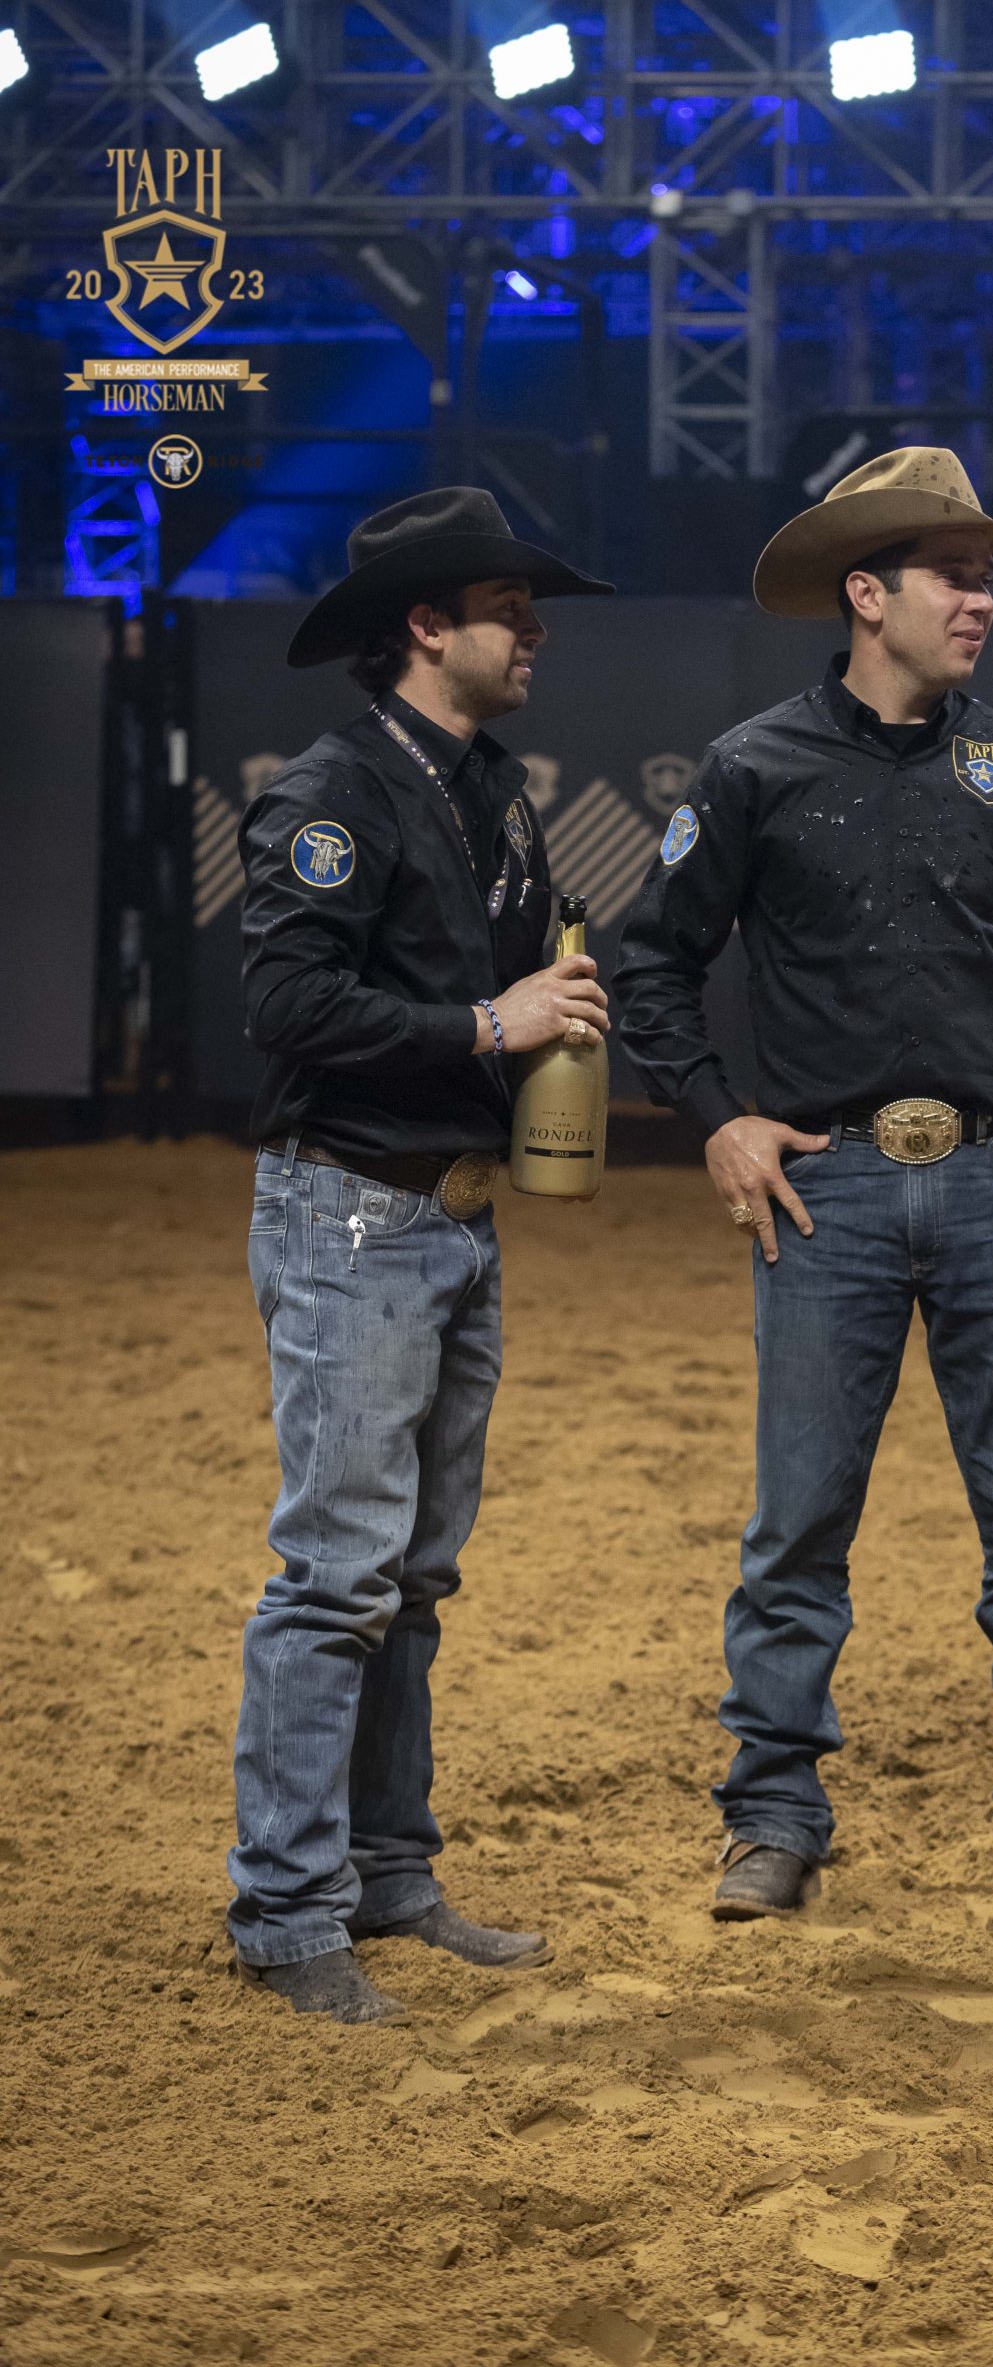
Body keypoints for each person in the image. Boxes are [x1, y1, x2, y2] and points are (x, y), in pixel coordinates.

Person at [615, 448, 993, 1922]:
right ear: (870, 594)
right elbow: (653, 961)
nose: (981, 602)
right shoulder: (754, 767)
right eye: (954, 576)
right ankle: (774, 1816)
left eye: (988, 577)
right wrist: (718, 1118)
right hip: (826, 1190)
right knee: (796, 1532)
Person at [229, 487, 613, 2024]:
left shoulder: (492, 793)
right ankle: (286, 1912)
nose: (534, 628)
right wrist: (485, 1026)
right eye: (509, 605)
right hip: (352, 1208)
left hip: (446, 1214)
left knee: (412, 1576)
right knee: (337, 1575)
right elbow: (287, 1005)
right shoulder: (333, 793)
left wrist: (548, 1014)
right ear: (424, 627)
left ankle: (388, 1875)